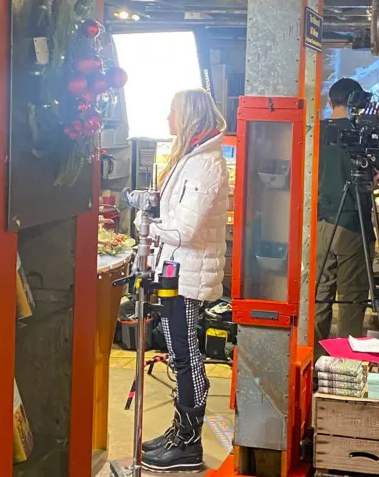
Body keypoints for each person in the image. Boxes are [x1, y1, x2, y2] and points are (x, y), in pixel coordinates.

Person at [139, 89, 229, 473]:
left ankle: (188, 443)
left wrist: (150, 224)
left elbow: (187, 229)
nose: (167, 117)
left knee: (185, 353)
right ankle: (181, 429)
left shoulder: (205, 163)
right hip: (176, 269)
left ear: (189, 115)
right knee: (179, 351)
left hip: (188, 272)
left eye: (172, 110)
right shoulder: (192, 156)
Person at [315, 78, 379, 357]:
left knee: (319, 295)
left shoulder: (317, 132)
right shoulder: (361, 134)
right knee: (351, 298)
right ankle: (345, 364)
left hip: (319, 224)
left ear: (330, 102)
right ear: (358, 102)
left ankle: (313, 364)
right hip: (353, 224)